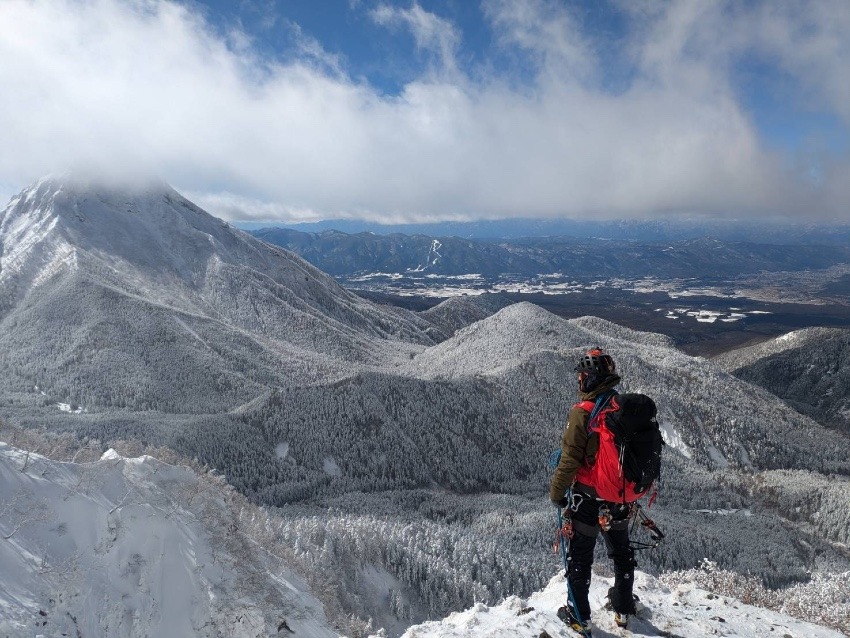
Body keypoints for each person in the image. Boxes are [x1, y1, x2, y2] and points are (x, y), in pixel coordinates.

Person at [549, 347, 637, 635]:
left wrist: (557, 493)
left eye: (581, 376)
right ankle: (623, 609)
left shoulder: (582, 413)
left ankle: (578, 614)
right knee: (622, 552)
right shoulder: (622, 407)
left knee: (581, 556)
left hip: (587, 499)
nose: (578, 381)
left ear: (589, 378)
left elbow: (571, 458)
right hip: (620, 497)